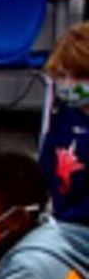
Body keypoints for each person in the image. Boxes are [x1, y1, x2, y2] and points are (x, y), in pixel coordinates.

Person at [41, 20, 89, 227]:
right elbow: (45, 168)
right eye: (62, 75)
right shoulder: (65, 110)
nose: (68, 84)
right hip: (63, 219)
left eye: (79, 76)